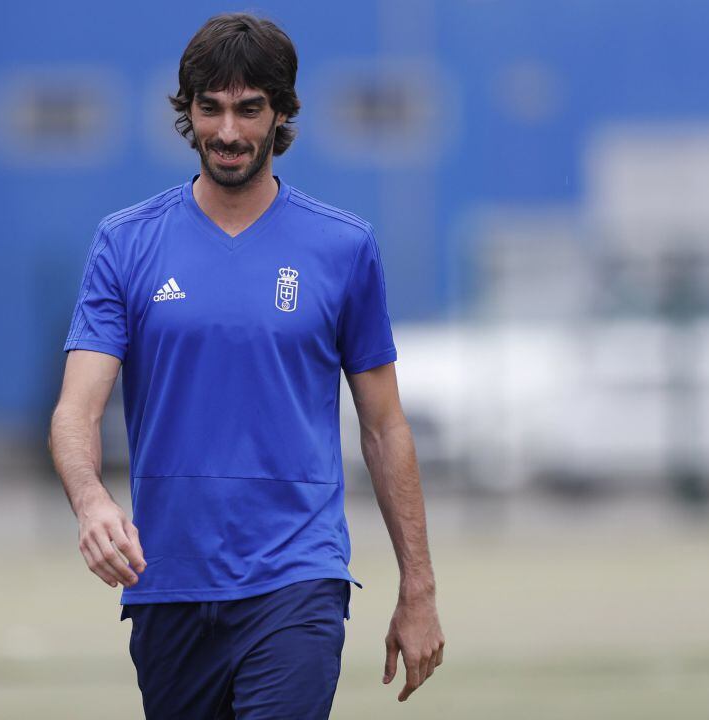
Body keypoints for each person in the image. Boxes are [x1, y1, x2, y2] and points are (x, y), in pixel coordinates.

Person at [48, 12, 444, 718]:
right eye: (211, 107)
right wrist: (92, 502)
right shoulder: (125, 244)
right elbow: (75, 410)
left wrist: (419, 587)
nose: (228, 132)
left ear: (283, 112)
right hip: (168, 582)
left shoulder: (343, 247)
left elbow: (384, 427)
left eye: (249, 109)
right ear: (188, 112)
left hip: (297, 576)